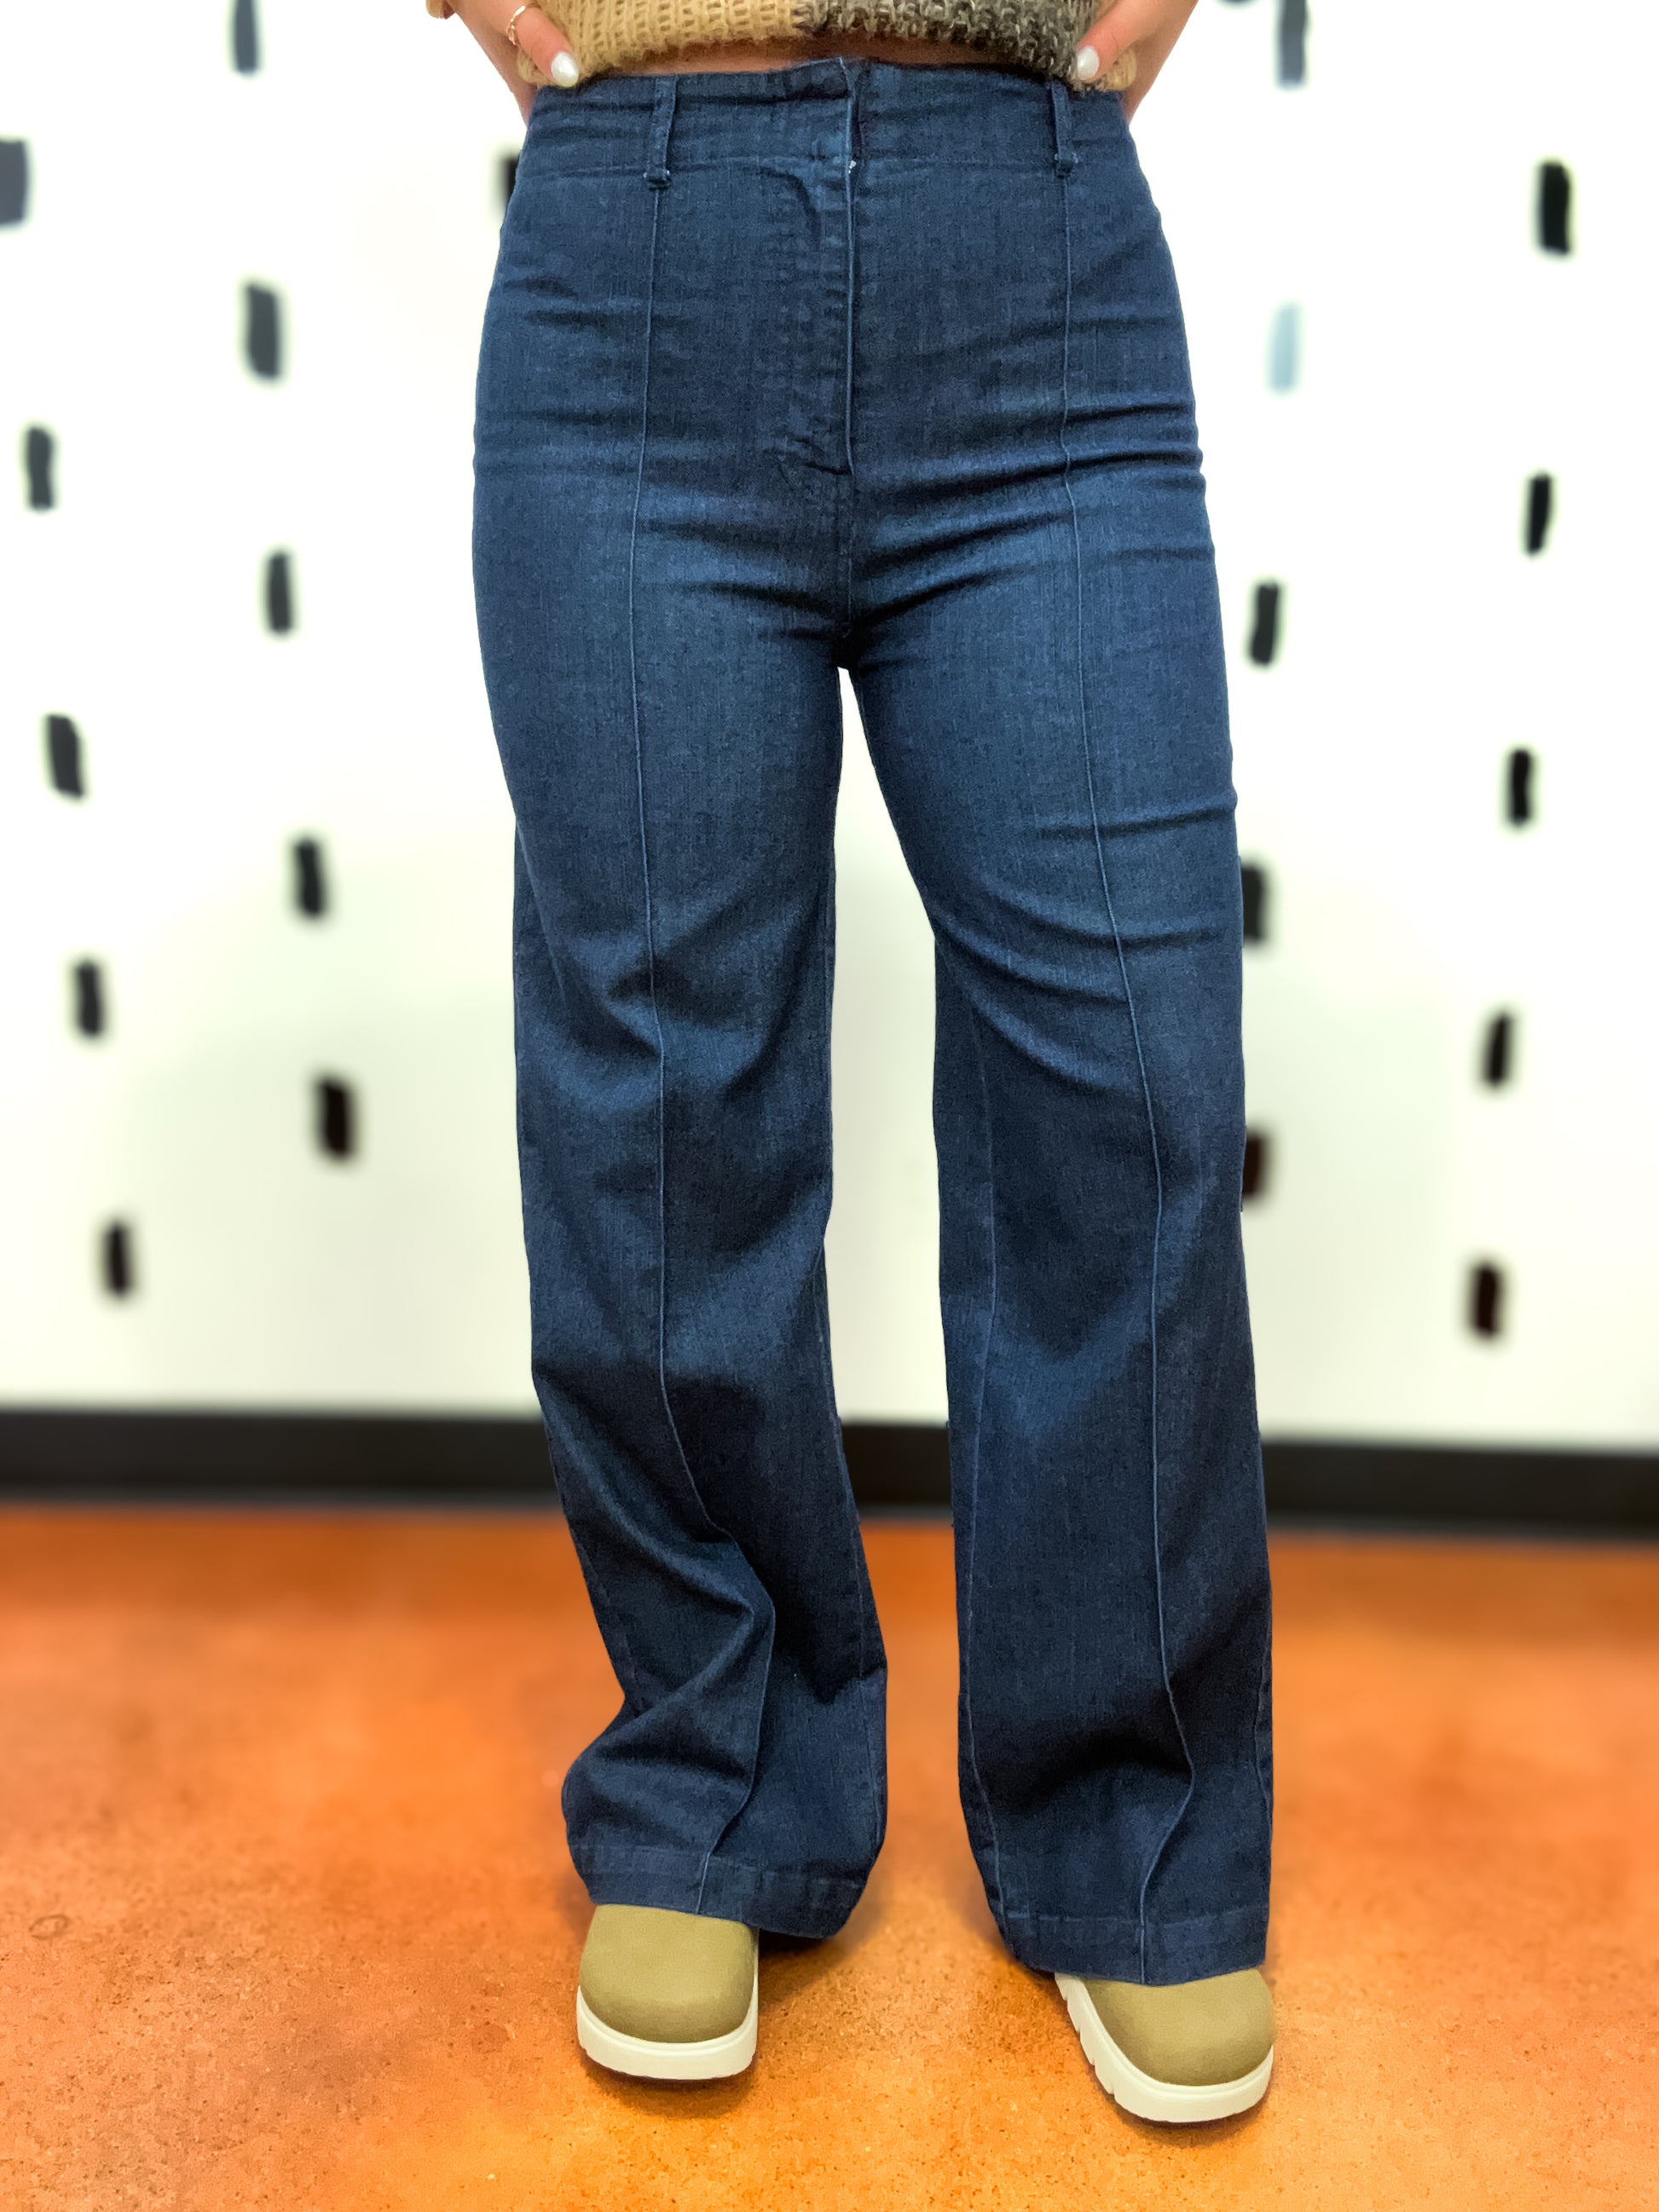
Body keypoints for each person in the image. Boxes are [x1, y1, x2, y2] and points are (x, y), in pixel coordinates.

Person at [436, 0, 1276, 2124]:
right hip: (636, 256)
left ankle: (1133, 1827)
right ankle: (711, 1783)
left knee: (1133, 1072)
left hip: (1039, 256)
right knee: (660, 1084)